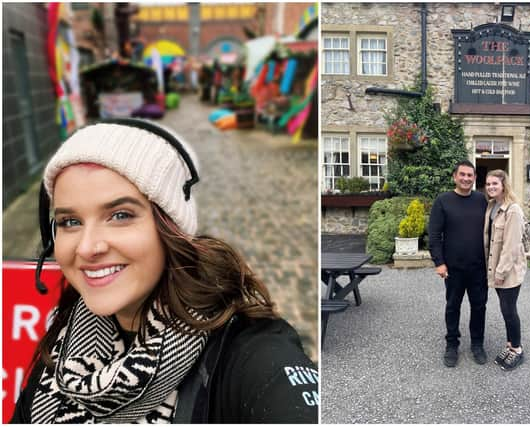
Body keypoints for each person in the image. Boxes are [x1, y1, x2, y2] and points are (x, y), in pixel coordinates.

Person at [10, 119, 318, 423]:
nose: (87, 247)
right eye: (70, 222)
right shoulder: (64, 346)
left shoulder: (246, 356)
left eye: (120, 215)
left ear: (170, 227)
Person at [428, 160, 488, 367]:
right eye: (462, 174)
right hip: (452, 268)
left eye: (470, 175)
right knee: (453, 306)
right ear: (455, 176)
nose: (466, 178)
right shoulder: (443, 201)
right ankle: (452, 345)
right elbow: (434, 235)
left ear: (474, 178)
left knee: (479, 306)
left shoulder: (482, 200)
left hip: (479, 267)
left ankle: (477, 344)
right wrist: (439, 262)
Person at [483, 169, 527, 371]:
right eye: (488, 183)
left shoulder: (513, 210)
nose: (491, 187)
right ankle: (510, 345)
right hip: (497, 268)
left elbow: (511, 246)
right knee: (504, 308)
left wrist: (500, 273)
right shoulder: (493, 206)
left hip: (508, 271)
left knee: (509, 310)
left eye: (495, 184)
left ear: (504, 185)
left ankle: (517, 349)